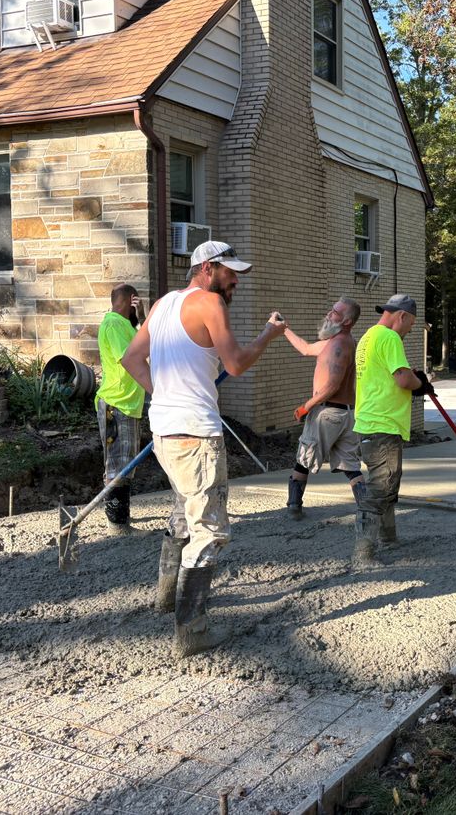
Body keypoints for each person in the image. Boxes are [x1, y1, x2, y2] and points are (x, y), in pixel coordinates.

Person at [121, 240, 288, 655]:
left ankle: (164, 597)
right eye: (231, 272)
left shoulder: (161, 305)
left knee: (183, 512)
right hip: (195, 434)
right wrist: (269, 333)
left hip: (163, 430)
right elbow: (235, 364)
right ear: (208, 268)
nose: (236, 281)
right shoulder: (210, 305)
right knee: (209, 529)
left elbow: (131, 359)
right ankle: (190, 630)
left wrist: (163, 395)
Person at [350, 293, 431, 568]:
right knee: (380, 490)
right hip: (382, 425)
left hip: (370, 424)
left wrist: (414, 379)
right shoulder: (390, 337)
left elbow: (388, 375)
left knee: (386, 485)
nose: (409, 331)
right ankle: (363, 555)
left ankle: (388, 538)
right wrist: (420, 383)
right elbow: (402, 379)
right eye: (411, 326)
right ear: (402, 316)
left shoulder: (368, 337)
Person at [283, 297, 365, 520]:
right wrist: (284, 329)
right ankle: (366, 509)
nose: (329, 314)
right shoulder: (341, 341)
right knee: (351, 466)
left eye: (336, 312)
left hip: (328, 413)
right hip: (347, 414)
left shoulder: (339, 345)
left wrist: (305, 407)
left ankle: (293, 507)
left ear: (347, 321)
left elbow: (332, 385)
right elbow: (307, 348)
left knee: (304, 457)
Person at [95, 284, 145, 534]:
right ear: (129, 300)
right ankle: (116, 523)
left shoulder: (128, 325)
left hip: (129, 404)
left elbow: (146, 343)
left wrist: (141, 318)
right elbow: (130, 358)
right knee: (118, 462)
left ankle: (119, 516)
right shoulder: (113, 324)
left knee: (127, 461)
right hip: (116, 404)